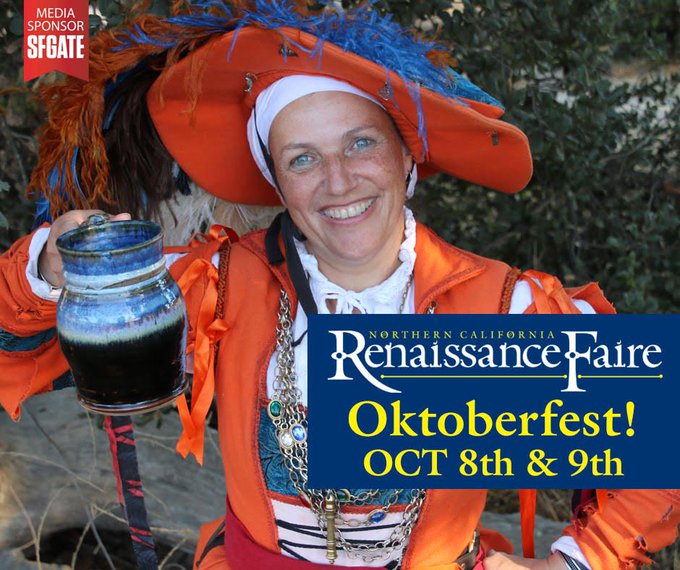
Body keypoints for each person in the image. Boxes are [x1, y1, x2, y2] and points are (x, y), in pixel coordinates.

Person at [0, 2, 677, 569]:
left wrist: (573, 560)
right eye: (302, 159)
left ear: (406, 157)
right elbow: (17, 342)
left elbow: (659, 445)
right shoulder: (219, 288)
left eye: (360, 143)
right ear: (276, 181)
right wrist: (50, 268)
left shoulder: (497, 305)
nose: (338, 180)